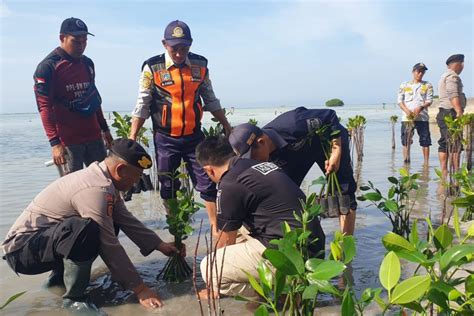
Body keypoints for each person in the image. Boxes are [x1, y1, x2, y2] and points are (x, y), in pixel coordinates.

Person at [2, 139, 183, 312]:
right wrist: (140, 289)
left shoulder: (104, 180)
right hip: (22, 252)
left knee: (107, 221)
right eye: (135, 177)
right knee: (85, 229)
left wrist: (160, 245)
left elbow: (126, 219)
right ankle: (75, 299)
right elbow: (109, 244)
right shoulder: (96, 189)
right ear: (120, 169)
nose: (136, 182)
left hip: (44, 242)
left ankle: (57, 281)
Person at [129, 20, 231, 234]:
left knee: (207, 182)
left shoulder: (200, 65)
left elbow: (209, 98)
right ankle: (175, 228)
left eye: (184, 47)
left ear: (190, 44)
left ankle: (215, 227)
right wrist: (132, 137)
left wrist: (225, 124)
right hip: (165, 138)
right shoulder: (152, 67)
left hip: (194, 137)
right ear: (164, 44)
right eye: (174, 47)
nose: (179, 53)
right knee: (167, 185)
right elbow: (143, 103)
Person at [195, 136, 325, 297]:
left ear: (209, 169)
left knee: (210, 267)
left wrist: (215, 285)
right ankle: (283, 282)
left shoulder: (229, 183)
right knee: (238, 226)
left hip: (290, 258)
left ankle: (282, 288)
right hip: (312, 247)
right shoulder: (256, 164)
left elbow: (225, 243)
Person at [229, 107, 357, 235]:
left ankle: (345, 250)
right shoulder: (271, 158)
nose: (254, 162)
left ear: (261, 142)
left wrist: (336, 150)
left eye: (253, 157)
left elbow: (329, 116)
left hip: (328, 142)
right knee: (287, 194)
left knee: (344, 192)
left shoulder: (294, 123)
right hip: (293, 154)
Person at [34, 17, 113, 174]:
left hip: (94, 137)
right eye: (76, 41)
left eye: (84, 41)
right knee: (71, 191)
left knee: (104, 183)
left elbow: (94, 99)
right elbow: (44, 107)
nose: (81, 46)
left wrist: (105, 129)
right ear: (62, 38)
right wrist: (55, 143)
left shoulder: (88, 64)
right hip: (68, 141)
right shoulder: (48, 67)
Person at [397, 62, 434, 164]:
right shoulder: (404, 85)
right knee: (406, 140)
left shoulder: (428, 85)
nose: (420, 73)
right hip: (407, 118)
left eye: (423, 72)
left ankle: (426, 164)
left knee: (425, 141)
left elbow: (429, 100)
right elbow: (400, 101)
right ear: (413, 72)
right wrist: (407, 111)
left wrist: (421, 108)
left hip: (422, 117)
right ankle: (406, 162)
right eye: (418, 71)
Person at [437, 54, 466, 177]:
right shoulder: (452, 76)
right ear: (458, 64)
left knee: (445, 142)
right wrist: (459, 111)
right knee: (455, 143)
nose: (463, 66)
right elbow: (453, 94)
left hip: (444, 112)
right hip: (450, 113)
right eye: (462, 63)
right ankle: (455, 172)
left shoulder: (444, 76)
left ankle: (445, 173)